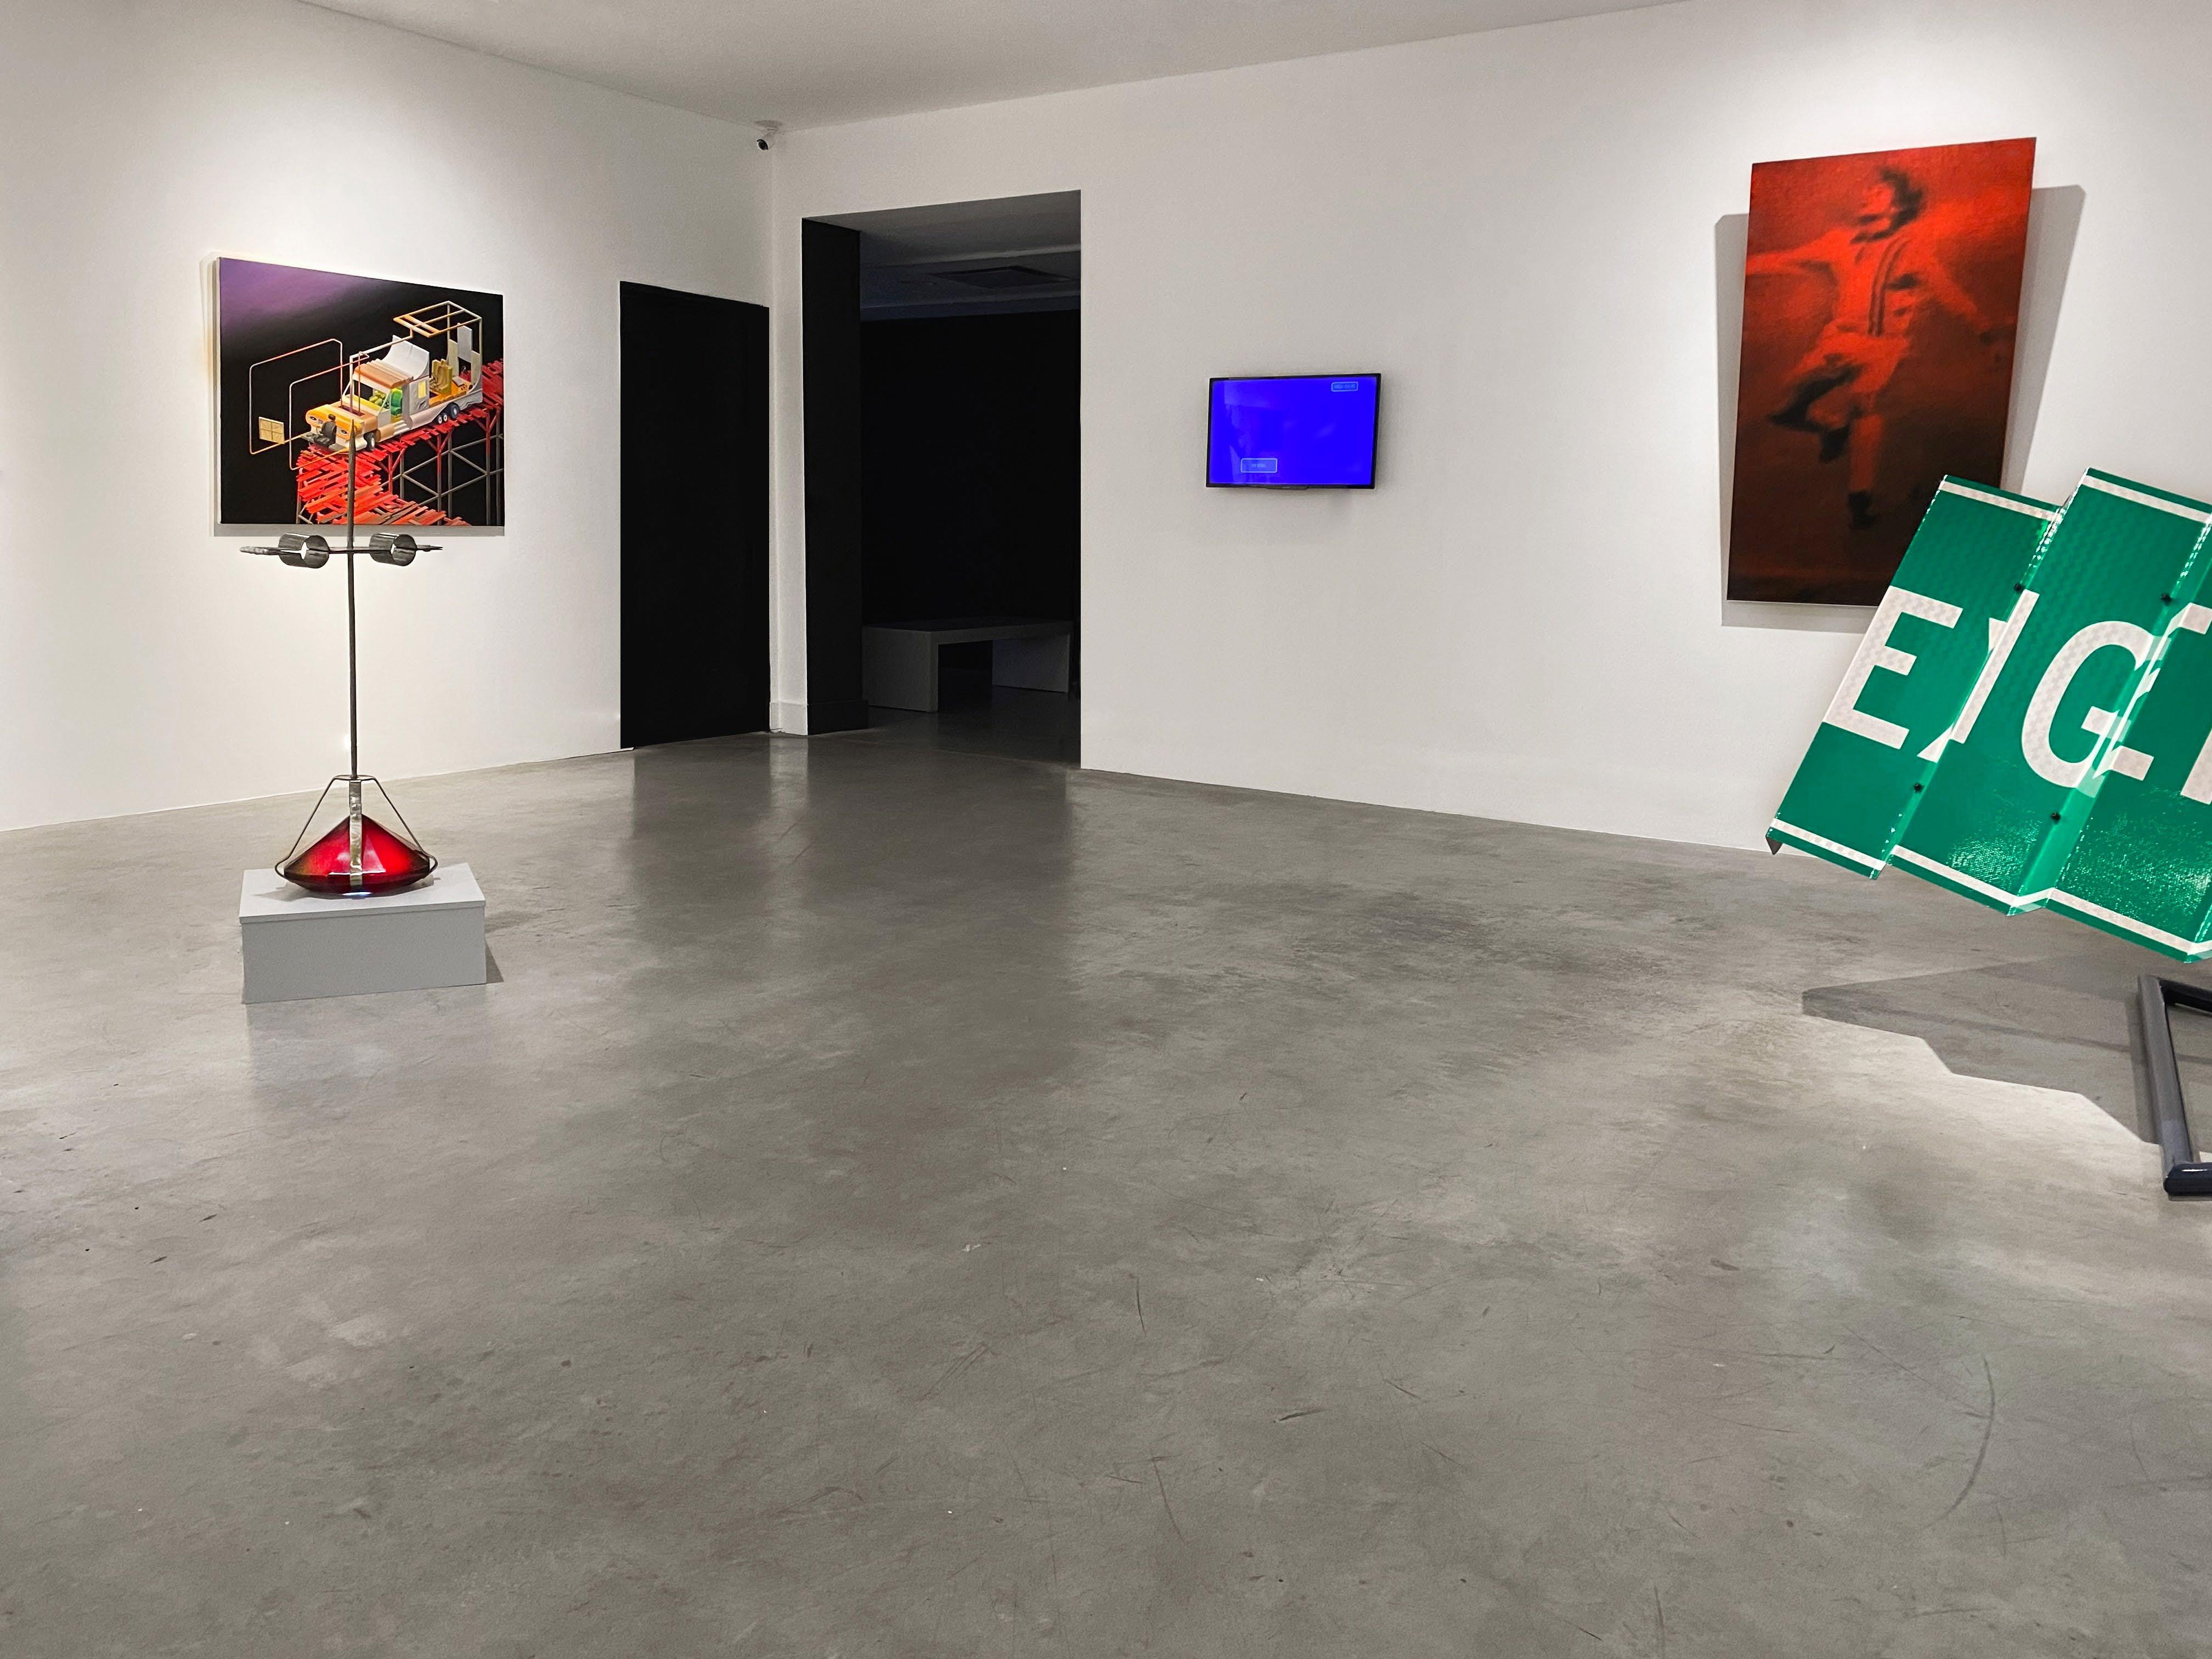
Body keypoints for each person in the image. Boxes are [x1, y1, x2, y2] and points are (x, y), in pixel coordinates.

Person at [1747, 167, 2003, 529]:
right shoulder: (1838, 241)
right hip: (1837, 342)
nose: (1867, 195)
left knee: (1864, 405)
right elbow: (1785, 259)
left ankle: (1860, 500)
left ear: (1898, 207)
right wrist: (1737, 266)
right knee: (1782, 408)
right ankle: (1830, 429)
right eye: (1869, 190)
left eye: (1879, 192)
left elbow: (1948, 292)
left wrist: (1987, 334)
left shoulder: (1910, 250)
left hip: (1883, 347)